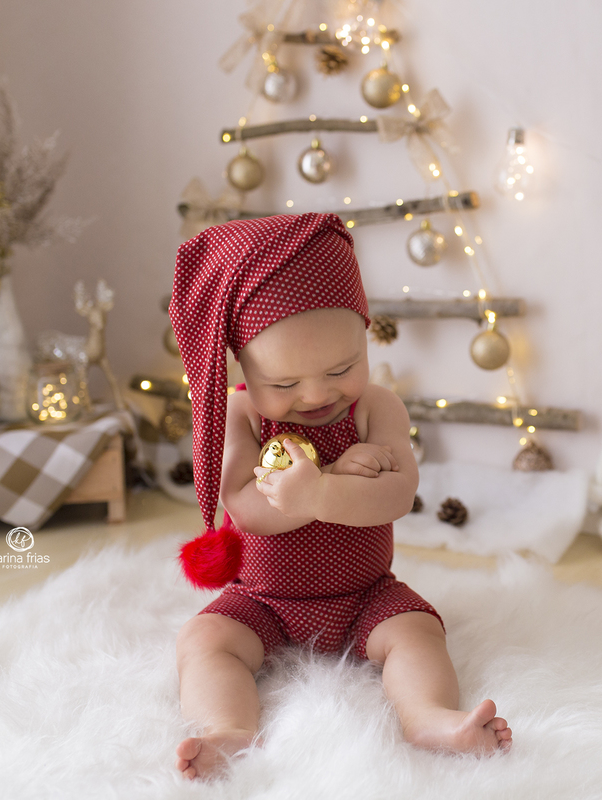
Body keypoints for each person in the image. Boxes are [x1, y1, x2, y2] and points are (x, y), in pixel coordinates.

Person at [168, 213, 511, 780]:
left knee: (418, 631)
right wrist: (316, 487)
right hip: (262, 600)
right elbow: (244, 506)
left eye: (342, 368)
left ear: (365, 336)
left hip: (366, 596)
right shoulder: (242, 414)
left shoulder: (375, 407)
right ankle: (227, 728)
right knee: (203, 638)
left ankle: (428, 716)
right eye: (284, 384)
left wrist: (324, 492)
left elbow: (397, 494)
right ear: (243, 365)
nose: (316, 394)